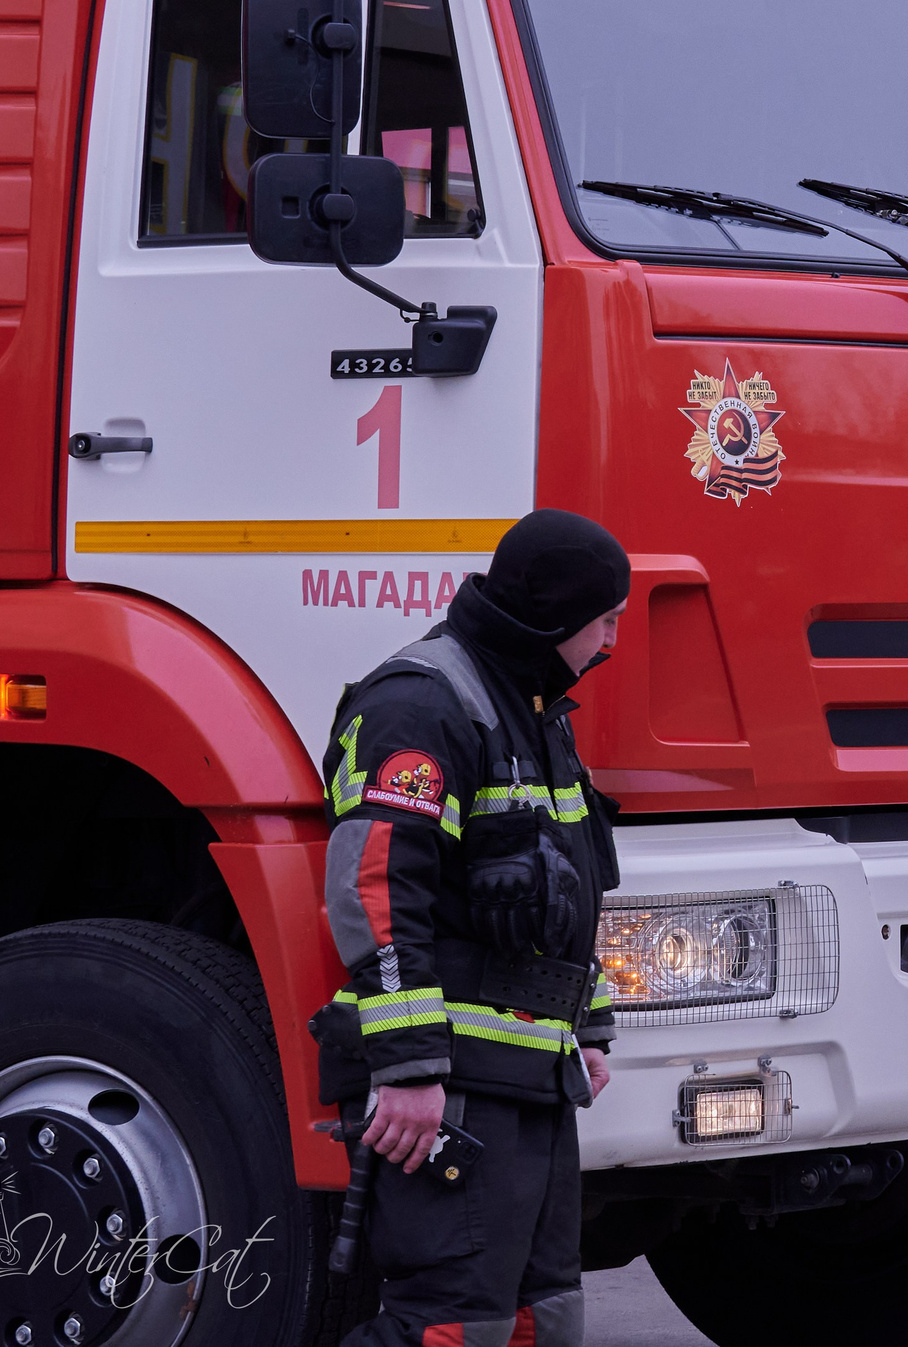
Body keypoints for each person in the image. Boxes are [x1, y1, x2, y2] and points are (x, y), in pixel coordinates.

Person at [312, 509, 631, 1347]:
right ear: (557, 616)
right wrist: (410, 1065)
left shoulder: (533, 706)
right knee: (451, 1326)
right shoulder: (420, 705)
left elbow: (569, 887)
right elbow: (375, 887)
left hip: (528, 1078)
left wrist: (586, 1023)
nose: (613, 640)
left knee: (539, 1318)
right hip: (451, 1083)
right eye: (605, 619)